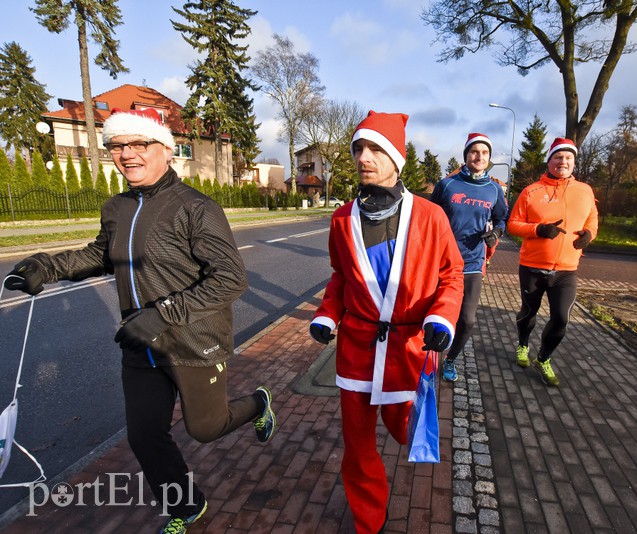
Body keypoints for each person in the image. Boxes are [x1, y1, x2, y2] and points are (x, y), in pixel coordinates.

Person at [3, 108, 277, 533]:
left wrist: (164, 314)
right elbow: (101, 254)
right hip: (141, 343)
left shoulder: (196, 207)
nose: (127, 153)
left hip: (193, 340)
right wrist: (47, 266)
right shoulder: (116, 207)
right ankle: (187, 506)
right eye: (117, 145)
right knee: (144, 436)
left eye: (138, 143)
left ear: (166, 149)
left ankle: (258, 403)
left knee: (206, 428)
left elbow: (230, 278)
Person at [309, 110, 463, 534]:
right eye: (358, 148)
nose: (364, 157)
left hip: (408, 348)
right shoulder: (342, 219)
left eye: (375, 148)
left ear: (397, 158)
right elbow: (341, 276)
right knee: (358, 446)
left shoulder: (430, 216)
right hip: (357, 349)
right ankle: (370, 521)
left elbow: (451, 276)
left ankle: (405, 427)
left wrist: (441, 317)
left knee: (406, 430)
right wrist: (327, 314)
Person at [506, 137, 598, 387]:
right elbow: (513, 224)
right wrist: (538, 230)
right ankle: (523, 345)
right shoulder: (531, 191)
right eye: (558, 157)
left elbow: (592, 221)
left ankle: (543, 358)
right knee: (529, 312)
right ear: (549, 161)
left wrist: (589, 234)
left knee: (561, 319)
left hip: (567, 270)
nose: (563, 161)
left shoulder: (585, 191)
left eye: (568, 157)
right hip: (533, 267)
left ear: (574, 162)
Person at [430, 133, 508, 382]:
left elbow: (502, 218)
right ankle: (425, 357)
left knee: (468, 320)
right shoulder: (447, 185)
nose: (479, 156)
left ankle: (450, 359)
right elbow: (430, 217)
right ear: (466, 155)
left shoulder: (493, 189)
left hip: (473, 263)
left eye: (484, 153)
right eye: (475, 151)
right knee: (431, 313)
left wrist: (496, 233)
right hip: (441, 261)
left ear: (489, 158)